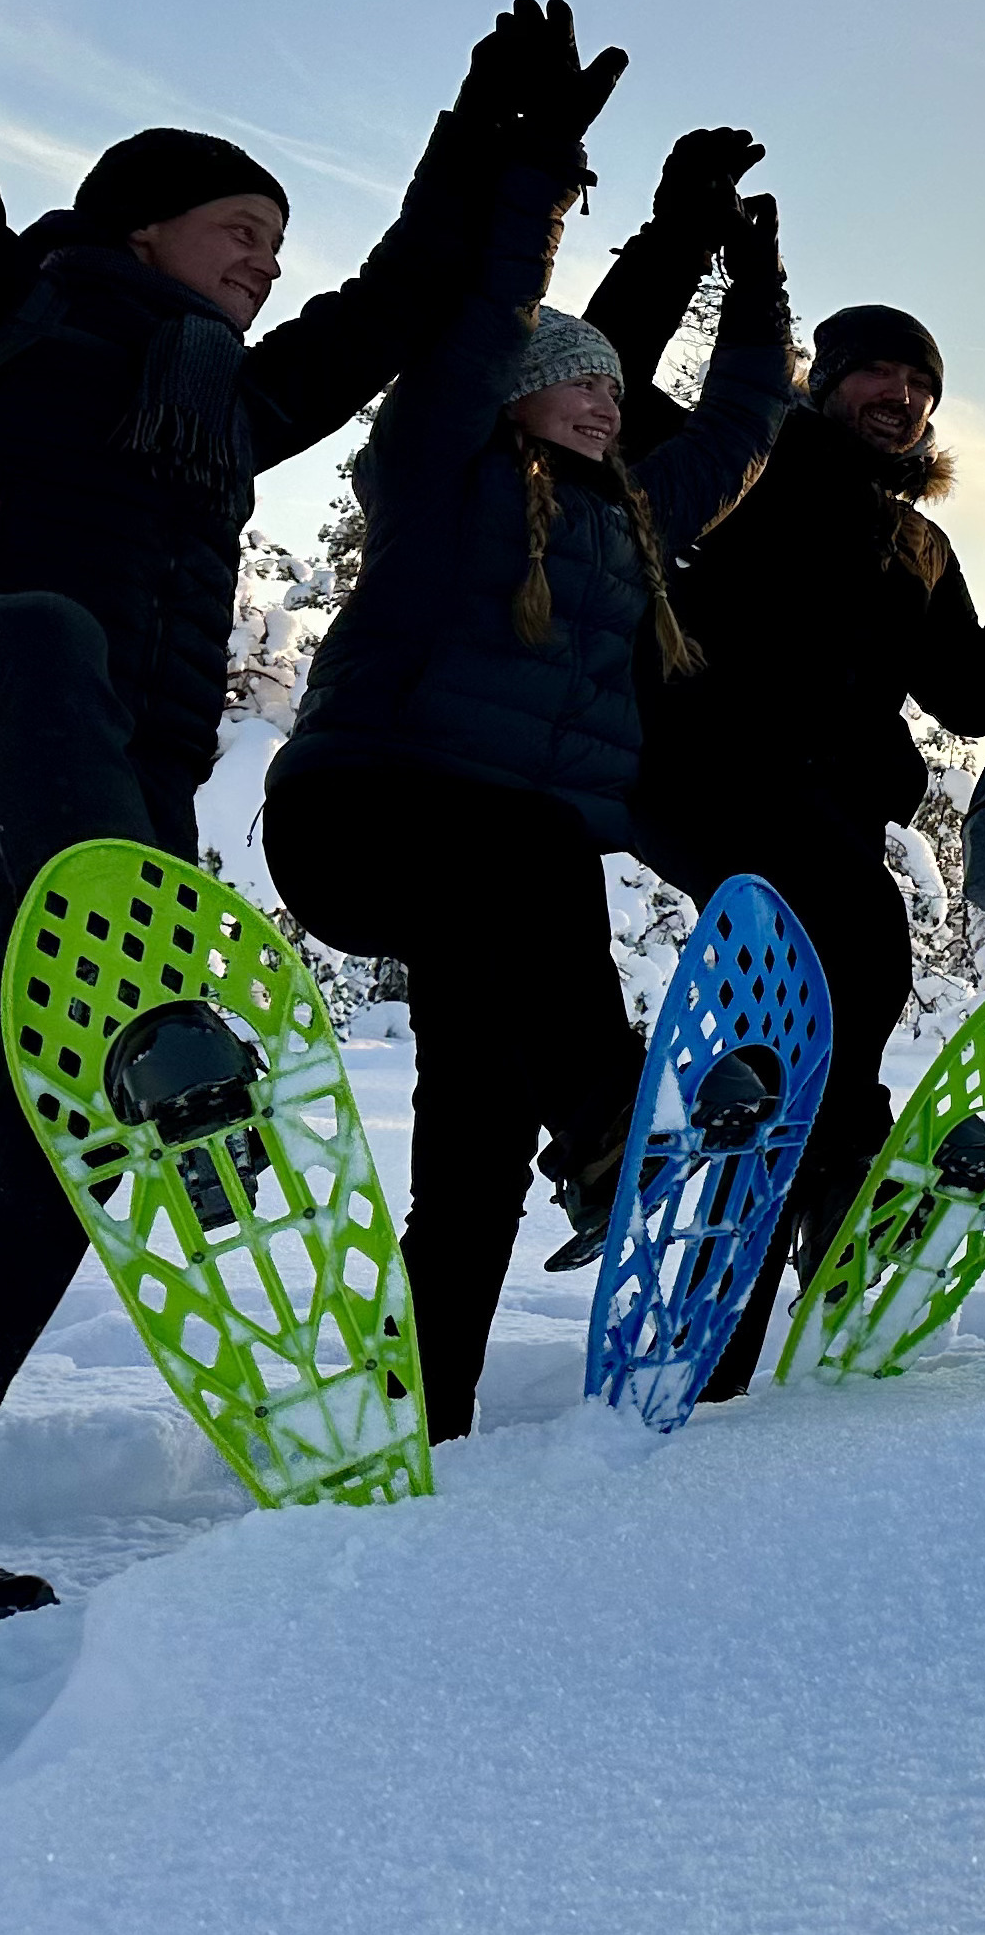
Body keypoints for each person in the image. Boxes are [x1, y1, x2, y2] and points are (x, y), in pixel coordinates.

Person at [0, 0, 520, 1632]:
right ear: (139, 229)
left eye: (275, 251)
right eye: (239, 232)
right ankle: (133, 1010)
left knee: (68, 1130)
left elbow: (392, 309)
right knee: (40, 638)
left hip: (96, 807)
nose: (263, 267)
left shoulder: (227, 411)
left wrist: (486, 147)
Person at [262, 76, 793, 1447]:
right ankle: (613, 1135)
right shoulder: (440, 476)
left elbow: (737, 431)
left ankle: (421, 1421)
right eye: (574, 379)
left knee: (476, 1148)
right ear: (513, 393)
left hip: (490, 888)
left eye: (613, 387)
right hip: (360, 815)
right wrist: (541, 182)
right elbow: (480, 324)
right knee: (538, 846)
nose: (604, 402)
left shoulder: (632, 514)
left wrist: (757, 285)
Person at [578, 134, 985, 1398]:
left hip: (829, 807)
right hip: (706, 774)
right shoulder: (740, 459)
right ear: (826, 381)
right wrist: (693, 240)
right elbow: (605, 372)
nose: (899, 396)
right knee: (828, 953)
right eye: (874, 372)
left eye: (919, 383)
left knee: (852, 977)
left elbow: (966, 697)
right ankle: (815, 1204)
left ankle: (801, 1219)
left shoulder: (917, 543)